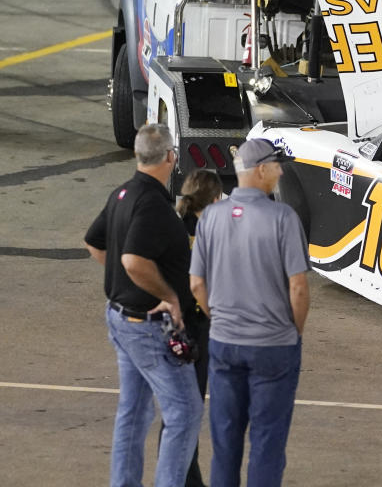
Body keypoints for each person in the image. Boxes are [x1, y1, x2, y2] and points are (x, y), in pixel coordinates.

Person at [84, 124, 204, 487]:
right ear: (170, 156)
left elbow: (95, 244)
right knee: (184, 411)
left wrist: (126, 286)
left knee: (133, 412)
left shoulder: (122, 193)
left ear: (138, 155)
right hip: (148, 329)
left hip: (122, 320)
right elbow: (133, 261)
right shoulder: (153, 205)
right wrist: (167, 296)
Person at [189, 138, 311, 487]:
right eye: (277, 165)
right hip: (273, 347)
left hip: (225, 345)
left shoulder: (211, 216)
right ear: (260, 170)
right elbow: (299, 288)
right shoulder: (283, 217)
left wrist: (222, 320)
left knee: (225, 445)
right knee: (267, 444)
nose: (281, 171)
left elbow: (197, 284)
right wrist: (293, 332)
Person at [166, 169, 223, 487]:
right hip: (197, 328)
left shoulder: (175, 227)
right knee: (188, 409)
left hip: (171, 327)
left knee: (178, 409)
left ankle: (182, 476)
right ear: (215, 199)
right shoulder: (210, 233)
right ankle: (185, 480)